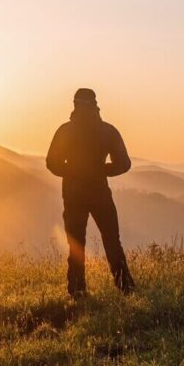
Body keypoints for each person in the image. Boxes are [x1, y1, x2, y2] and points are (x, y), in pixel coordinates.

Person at [46, 88, 135, 298]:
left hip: (73, 193)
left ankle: (77, 290)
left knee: (76, 243)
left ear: (74, 104)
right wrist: (101, 170)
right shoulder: (107, 131)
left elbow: (52, 163)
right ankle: (125, 287)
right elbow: (124, 163)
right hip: (100, 193)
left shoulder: (65, 131)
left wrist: (73, 171)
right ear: (95, 104)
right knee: (112, 240)